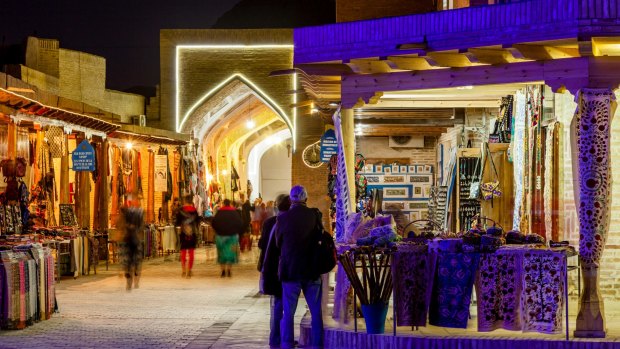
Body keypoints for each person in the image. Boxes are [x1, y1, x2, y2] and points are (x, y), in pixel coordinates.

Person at [275, 185, 324, 348]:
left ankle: (287, 344)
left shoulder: (282, 218)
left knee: (288, 312)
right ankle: (317, 344)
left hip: (290, 270)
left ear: (291, 200)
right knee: (316, 312)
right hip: (312, 270)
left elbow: (278, 243)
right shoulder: (314, 215)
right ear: (306, 199)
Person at [258, 194, 291, 349]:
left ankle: (276, 339)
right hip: (285, 268)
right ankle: (284, 339)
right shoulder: (291, 222)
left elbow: (262, 244)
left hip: (272, 269)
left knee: (277, 306)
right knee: (285, 306)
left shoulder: (269, 222)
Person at [211, 198, 244, 277]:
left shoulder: (219, 212)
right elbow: (240, 223)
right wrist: (236, 231)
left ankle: (223, 271)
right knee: (231, 254)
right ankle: (229, 270)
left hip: (220, 236)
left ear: (223, 204)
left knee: (221, 253)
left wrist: (218, 231)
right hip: (232, 237)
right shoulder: (234, 213)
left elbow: (214, 223)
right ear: (230, 204)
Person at [118, 196, 144, 291]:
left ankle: (132, 281)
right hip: (131, 239)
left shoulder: (135, 213)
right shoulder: (135, 213)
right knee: (132, 262)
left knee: (132, 262)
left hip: (132, 239)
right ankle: (131, 281)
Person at [176, 195, 199, 278]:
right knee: (191, 252)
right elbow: (197, 222)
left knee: (183, 251)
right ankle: (189, 269)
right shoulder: (195, 211)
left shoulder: (181, 210)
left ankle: (183, 270)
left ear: (185, 201)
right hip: (192, 233)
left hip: (183, 232)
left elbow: (177, 223)